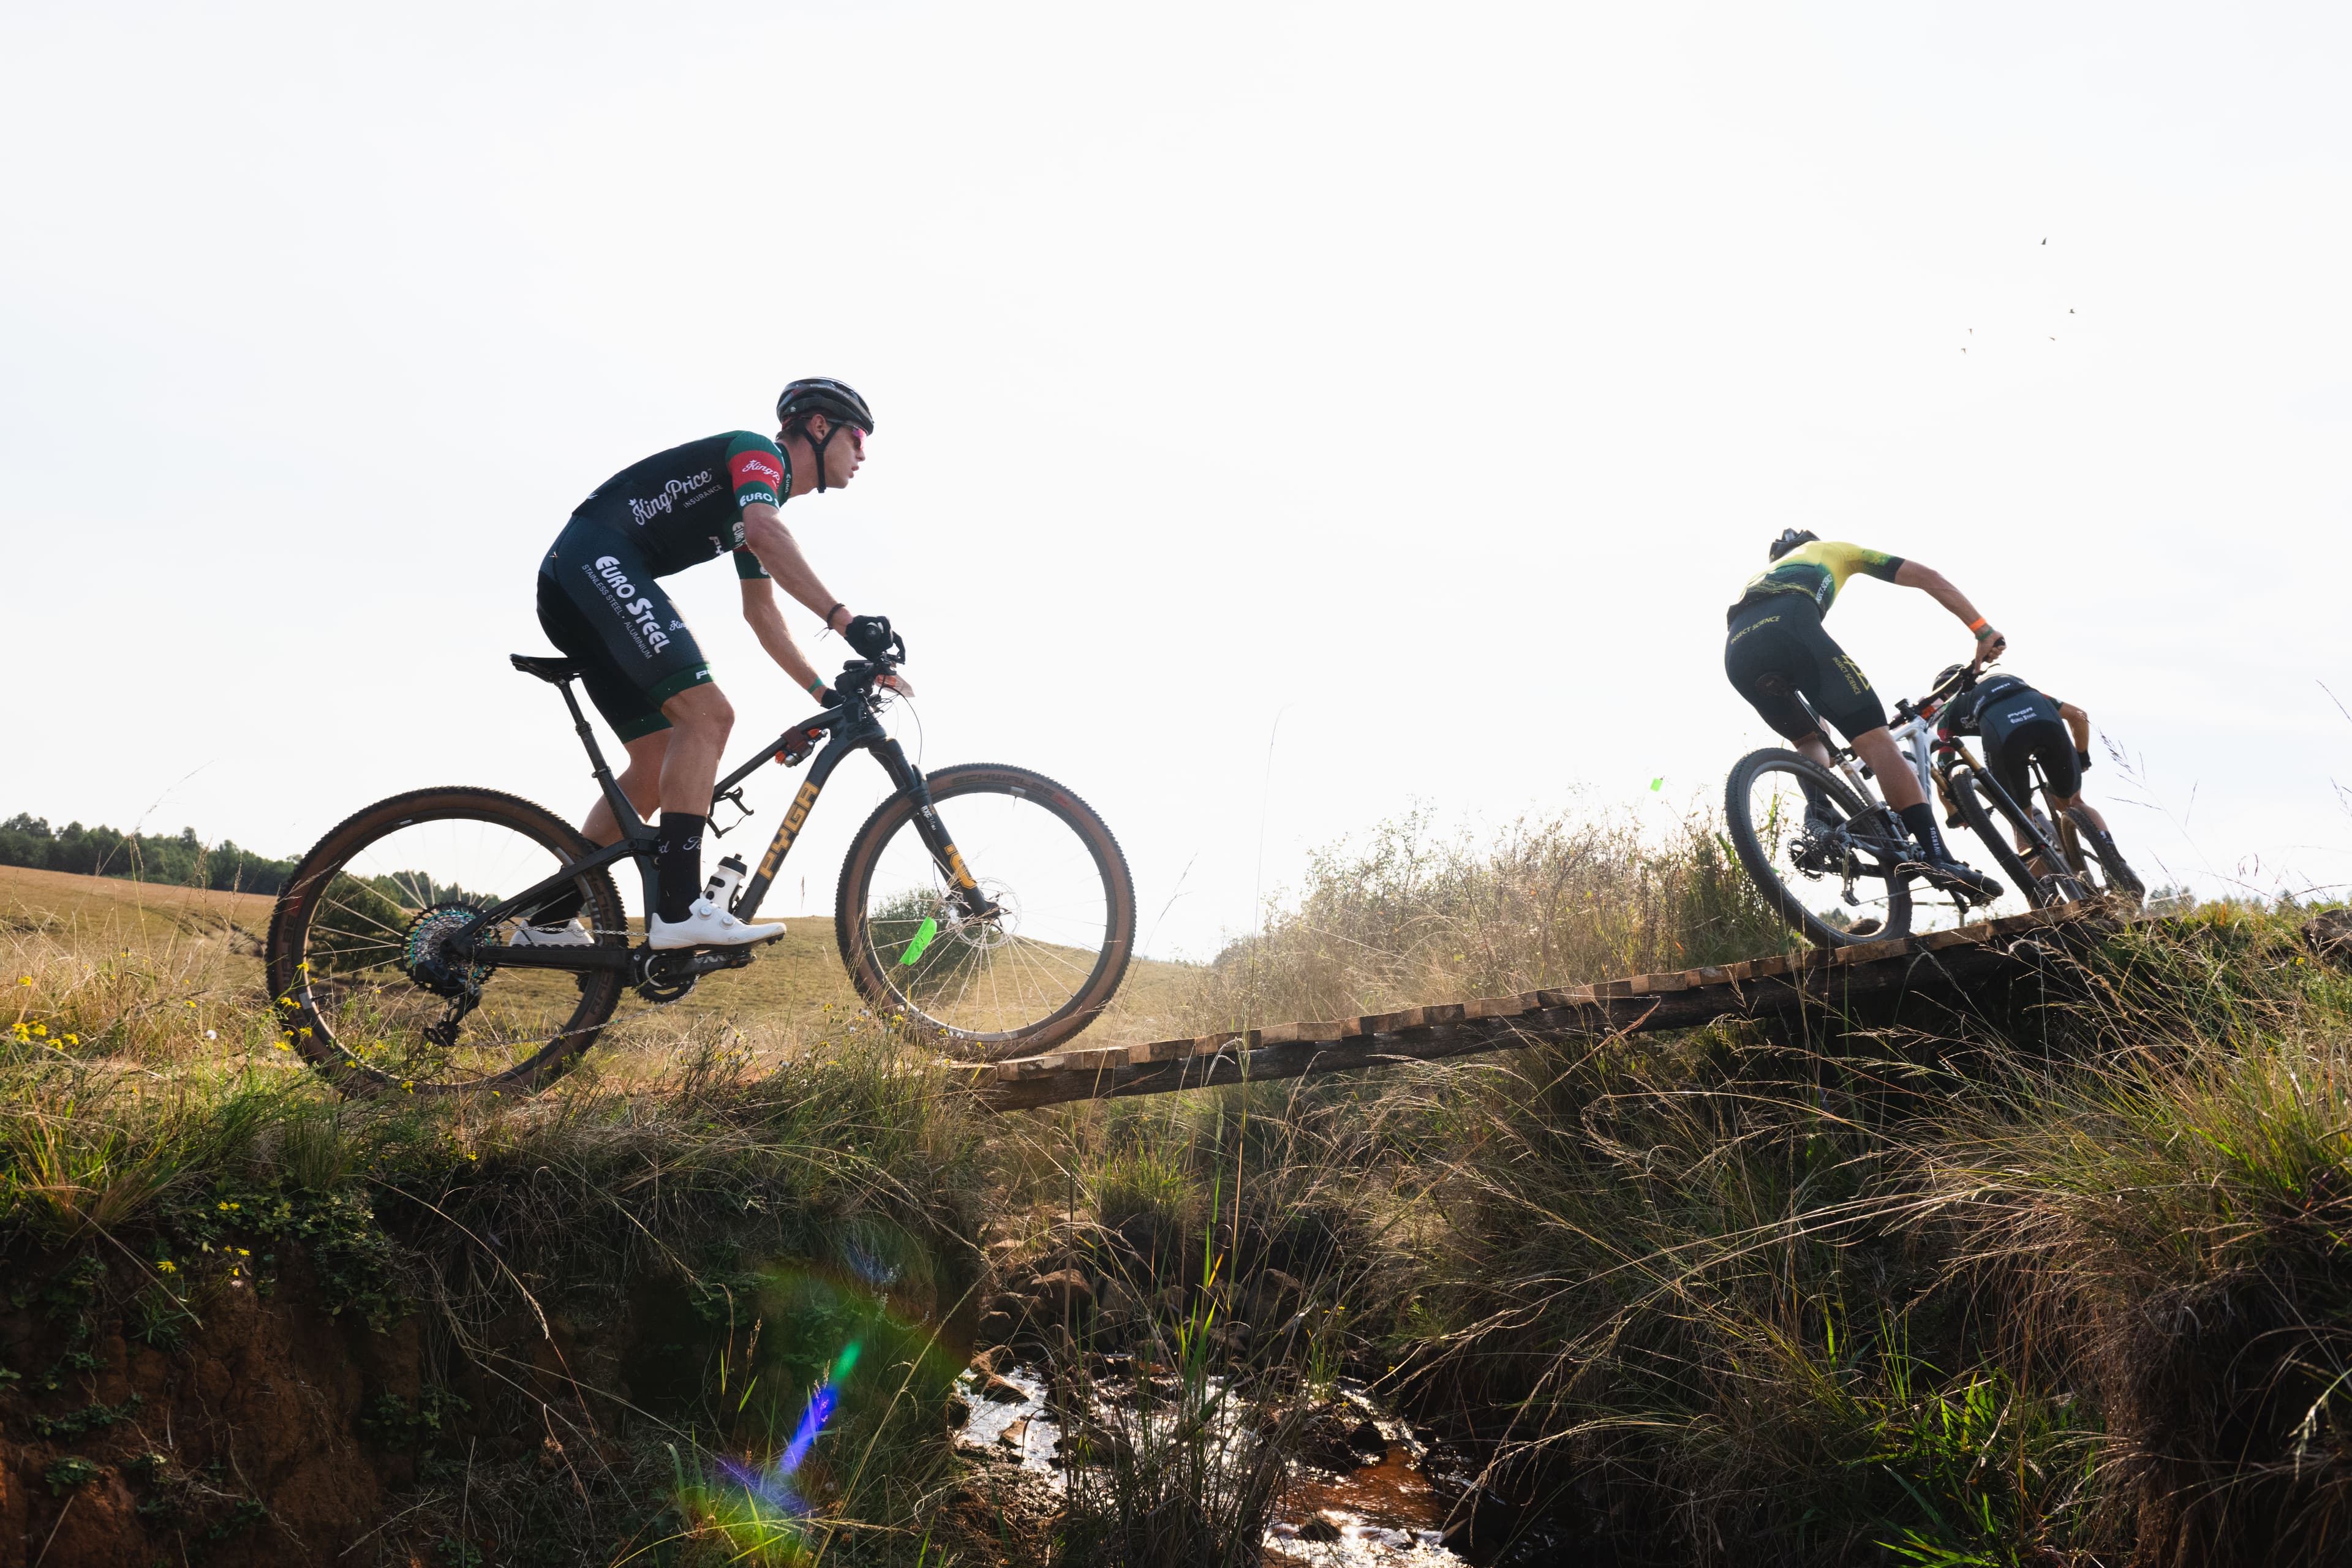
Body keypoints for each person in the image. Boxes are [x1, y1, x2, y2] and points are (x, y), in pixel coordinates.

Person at [526, 378, 899, 949]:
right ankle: (677, 912)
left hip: (575, 583)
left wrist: (824, 695)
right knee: (709, 718)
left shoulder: (757, 508)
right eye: (858, 436)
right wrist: (845, 620)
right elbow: (765, 533)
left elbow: (761, 614)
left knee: (654, 765)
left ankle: (546, 919)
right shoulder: (757, 455)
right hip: (594, 562)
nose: (864, 453)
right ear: (819, 427)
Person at [1724, 529, 2003, 895]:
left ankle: (1820, 817)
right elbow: (1928, 578)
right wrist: (1983, 631)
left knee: (1809, 738)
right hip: (1791, 628)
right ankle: (1939, 858)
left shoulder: (1760, 577)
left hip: (1737, 652)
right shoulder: (1835, 550)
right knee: (1877, 742)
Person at [1931, 665, 2117, 870]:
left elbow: (1945, 768)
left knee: (2021, 821)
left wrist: (1953, 811)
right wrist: (2082, 756)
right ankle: (2115, 864)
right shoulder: (2008, 683)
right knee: (2073, 803)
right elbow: (2078, 715)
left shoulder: (1949, 711)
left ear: (1947, 692)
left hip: (2005, 738)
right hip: (2045, 721)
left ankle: (2046, 894)